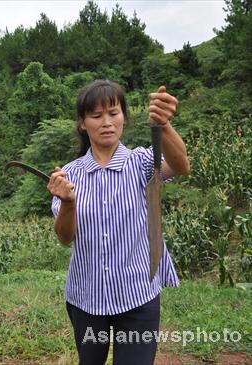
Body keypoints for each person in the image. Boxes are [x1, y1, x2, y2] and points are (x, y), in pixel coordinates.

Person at [47, 80, 190, 365]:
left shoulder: (140, 163)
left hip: (138, 296)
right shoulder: (69, 175)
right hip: (86, 298)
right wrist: (68, 203)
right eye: (96, 116)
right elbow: (65, 237)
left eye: (113, 113)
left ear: (124, 116)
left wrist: (163, 125)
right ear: (83, 124)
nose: (107, 122)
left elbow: (180, 166)